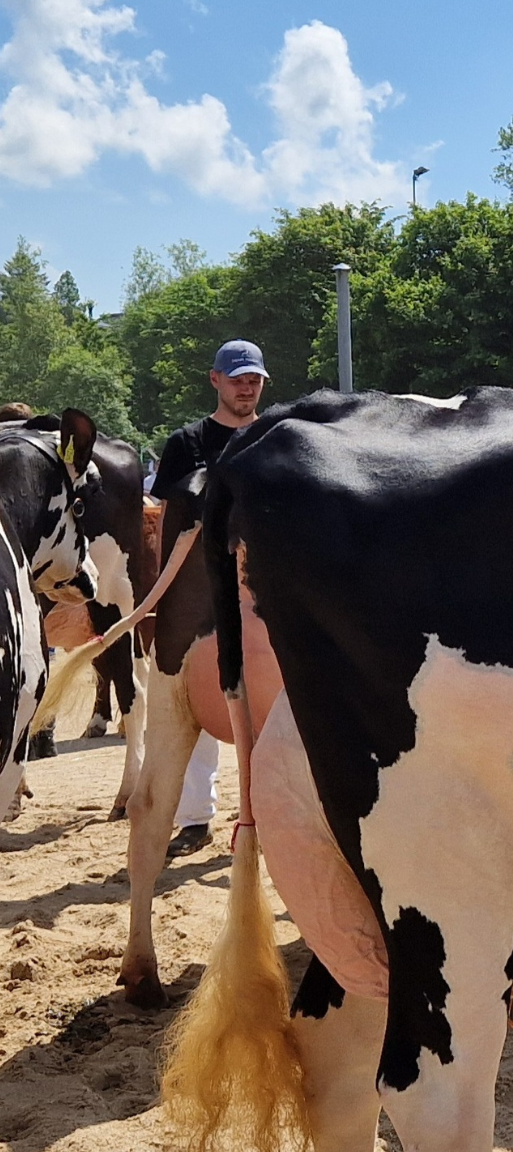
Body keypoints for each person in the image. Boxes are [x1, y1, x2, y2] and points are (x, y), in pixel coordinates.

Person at [153, 339, 268, 857]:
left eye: (255, 379)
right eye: (238, 377)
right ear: (215, 380)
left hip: (265, 593)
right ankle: (196, 819)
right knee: (198, 706)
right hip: (202, 596)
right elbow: (169, 517)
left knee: (271, 707)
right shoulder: (187, 442)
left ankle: (268, 814)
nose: (247, 386)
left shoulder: (278, 434)